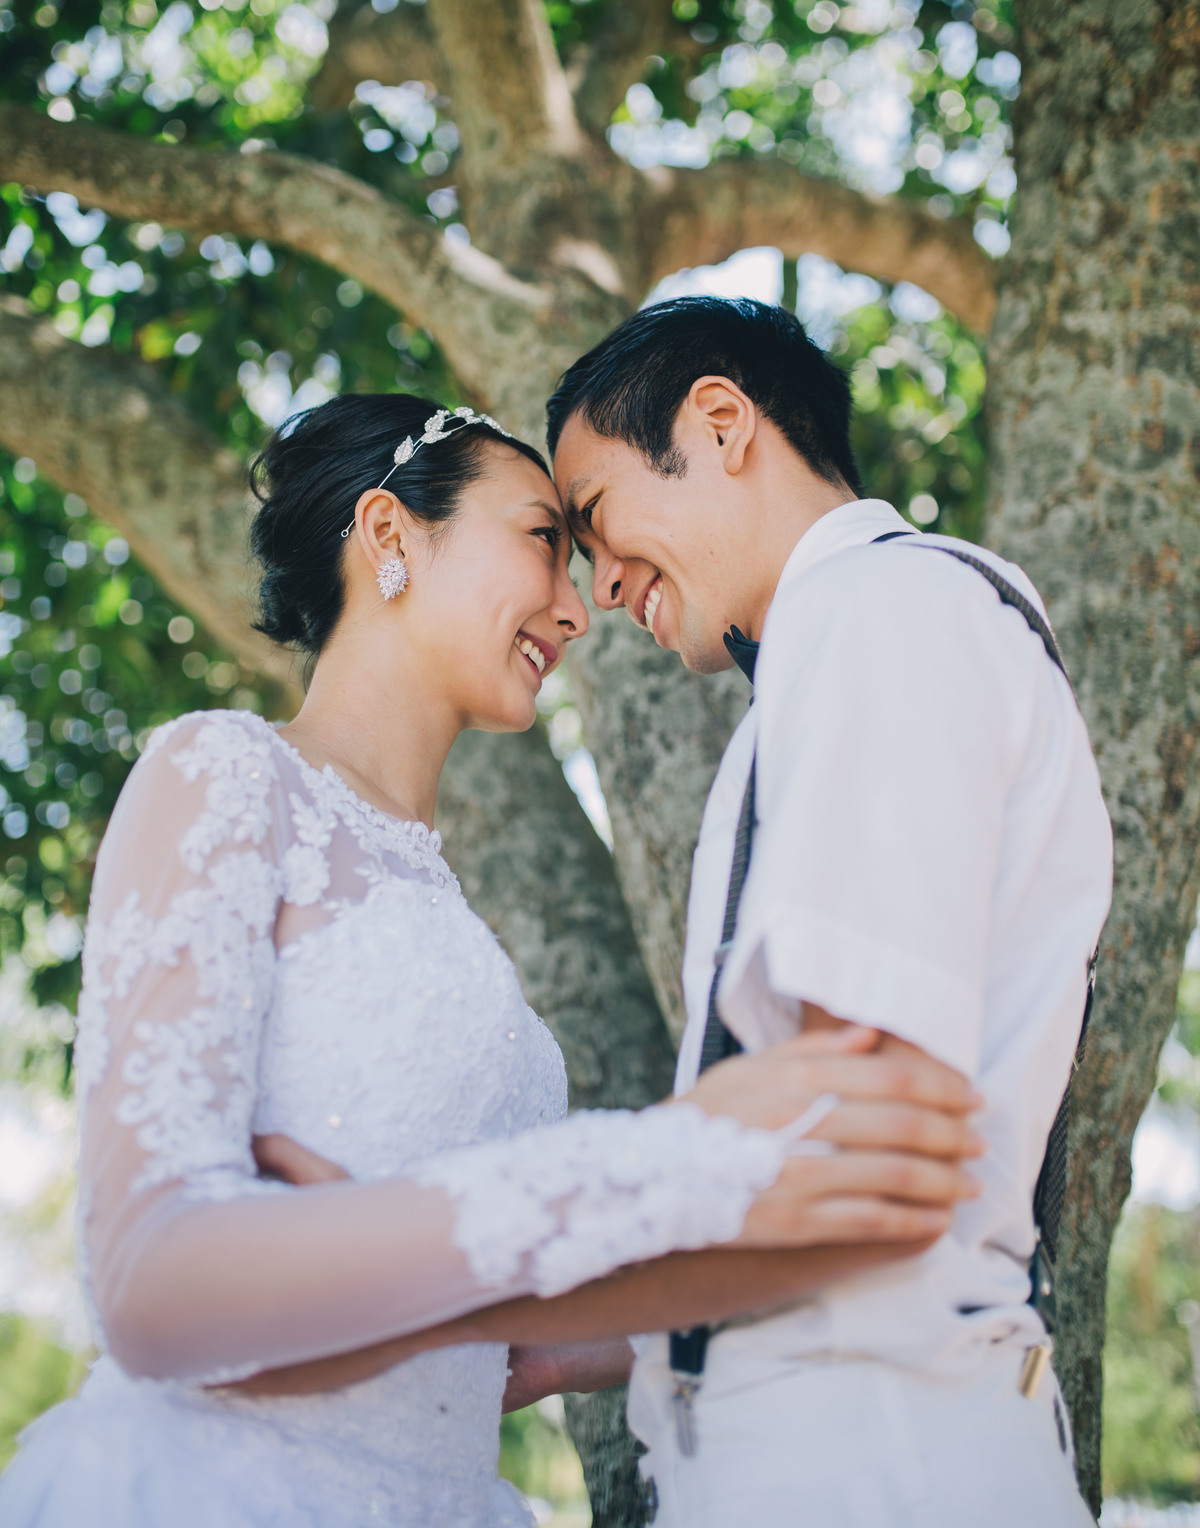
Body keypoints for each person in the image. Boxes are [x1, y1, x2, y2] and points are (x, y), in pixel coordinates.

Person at [0, 392, 982, 1528]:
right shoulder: (221, 776)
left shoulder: (447, 905)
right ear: (388, 535)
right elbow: (151, 1284)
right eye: (542, 543)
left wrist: (741, 1255)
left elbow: (486, 1299)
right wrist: (670, 1159)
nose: (577, 608)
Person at [543, 295, 1111, 1528]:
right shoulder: (853, 641)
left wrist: (470, 1263)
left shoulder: (884, 612)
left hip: (867, 1455)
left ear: (721, 420)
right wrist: (527, 1349)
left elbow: (858, 1148)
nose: (592, 589)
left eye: (593, 520)